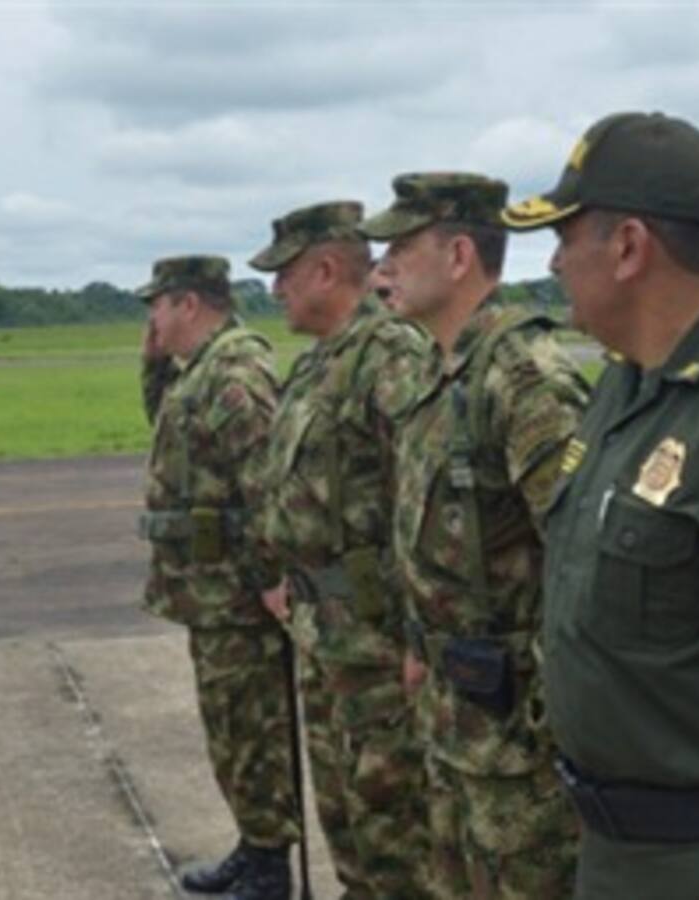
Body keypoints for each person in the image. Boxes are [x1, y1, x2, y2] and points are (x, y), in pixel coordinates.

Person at [359, 173, 588, 898]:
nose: (382, 266)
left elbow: (583, 558)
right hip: (454, 713)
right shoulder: (441, 372)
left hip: (516, 732)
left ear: (460, 255)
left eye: (400, 247)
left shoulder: (522, 379)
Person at [503, 111, 699, 899]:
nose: (553, 263)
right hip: (612, 850)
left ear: (627, 246)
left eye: (564, 237)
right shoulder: (625, 388)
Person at [250, 201, 434, 898]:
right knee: (347, 825)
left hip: (379, 642)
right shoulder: (317, 366)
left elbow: (423, 507)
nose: (276, 291)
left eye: (285, 275)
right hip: (326, 633)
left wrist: (417, 634)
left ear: (326, 270)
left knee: (393, 833)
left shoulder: (391, 358)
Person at [136, 255, 299, 899]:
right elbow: (169, 427)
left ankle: (269, 867)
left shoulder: (236, 374)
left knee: (251, 730)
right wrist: (151, 361)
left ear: (189, 304)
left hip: (236, 594)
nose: (152, 317)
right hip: (209, 593)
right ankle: (253, 843)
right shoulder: (198, 372)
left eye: (158, 305)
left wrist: (268, 577)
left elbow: (263, 486)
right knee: (230, 731)